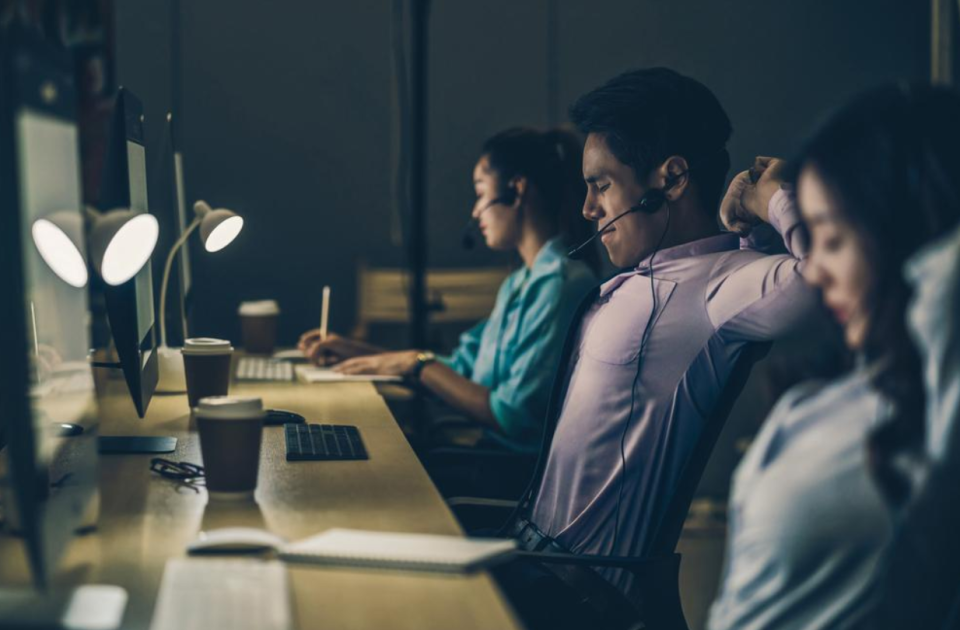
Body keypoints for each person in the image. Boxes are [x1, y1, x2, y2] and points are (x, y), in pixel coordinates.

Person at [490, 67, 816, 629]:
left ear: (669, 179)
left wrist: (773, 202)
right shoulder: (639, 279)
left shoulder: (722, 285)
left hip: (577, 601)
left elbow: (833, 272)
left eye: (601, 184)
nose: (589, 209)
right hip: (525, 564)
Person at [708, 84, 960, 630]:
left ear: (906, 238)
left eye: (833, 239)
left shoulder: (941, 416)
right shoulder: (843, 395)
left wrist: (774, 199)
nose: (815, 271)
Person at [298, 128, 598, 451]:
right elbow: (459, 370)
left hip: (506, 474)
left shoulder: (559, 286)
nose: (475, 210)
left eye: (481, 193)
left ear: (516, 191)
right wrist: (354, 351)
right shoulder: (519, 284)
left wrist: (416, 363)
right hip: (484, 457)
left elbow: (511, 416)